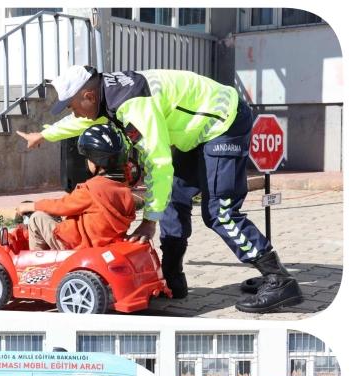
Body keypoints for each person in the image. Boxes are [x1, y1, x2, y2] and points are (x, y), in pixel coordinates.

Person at [17, 65, 303, 313]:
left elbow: (159, 161)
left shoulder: (131, 106)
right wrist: (43, 134)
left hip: (223, 120)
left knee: (219, 212)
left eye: (72, 105)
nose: (73, 111)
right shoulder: (106, 96)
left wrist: (149, 221)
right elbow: (82, 120)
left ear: (88, 96)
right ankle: (172, 277)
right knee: (175, 198)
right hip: (197, 130)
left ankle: (279, 280)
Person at [15, 124, 142, 251]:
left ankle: (37, 264)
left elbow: (62, 206)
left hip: (76, 245)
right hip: (104, 242)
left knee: (37, 218)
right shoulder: (124, 190)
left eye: (87, 158)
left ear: (94, 161)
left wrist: (30, 206)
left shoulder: (91, 189)